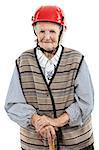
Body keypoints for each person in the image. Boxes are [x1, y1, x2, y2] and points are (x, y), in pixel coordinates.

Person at [5, 5, 94, 150]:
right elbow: (13, 104)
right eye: (42, 31)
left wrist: (56, 122)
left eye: (52, 31)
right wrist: (37, 121)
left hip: (77, 144)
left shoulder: (76, 59)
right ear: (35, 31)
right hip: (35, 145)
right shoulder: (23, 61)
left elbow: (86, 103)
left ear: (62, 30)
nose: (47, 37)